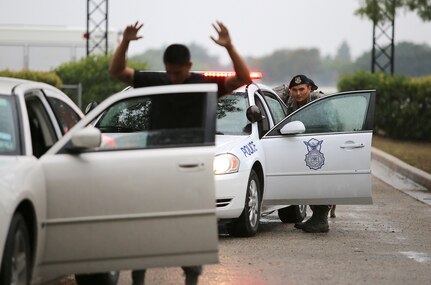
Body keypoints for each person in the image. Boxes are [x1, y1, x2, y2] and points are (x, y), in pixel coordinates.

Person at [109, 21, 252, 285]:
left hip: (192, 168)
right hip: (156, 167)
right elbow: (117, 71)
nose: (173, 78)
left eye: (178, 72)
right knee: (148, 228)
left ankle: (191, 277)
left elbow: (243, 79)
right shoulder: (157, 82)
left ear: (189, 66)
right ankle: (139, 276)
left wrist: (230, 46)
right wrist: (126, 42)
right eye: (170, 72)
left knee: (191, 230)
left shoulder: (203, 85)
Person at [274, 74, 332, 233]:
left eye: (302, 89)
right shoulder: (289, 100)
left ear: (310, 88)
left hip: (319, 145)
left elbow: (331, 124)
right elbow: (271, 97)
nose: (298, 93)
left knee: (318, 181)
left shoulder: (319, 101)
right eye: (294, 90)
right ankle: (317, 217)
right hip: (299, 145)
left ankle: (320, 219)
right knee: (306, 181)